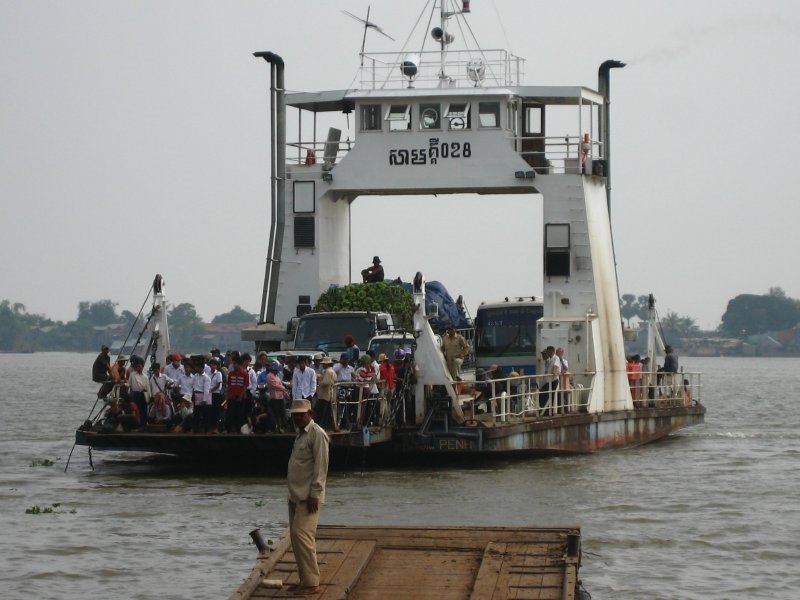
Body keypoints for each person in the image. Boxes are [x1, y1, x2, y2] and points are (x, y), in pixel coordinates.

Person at [286, 398, 329, 595]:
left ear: (310, 414)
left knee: (302, 536)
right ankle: (305, 580)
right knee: (296, 538)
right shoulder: (300, 435)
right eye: (295, 415)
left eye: (301, 414)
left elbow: (321, 467)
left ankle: (312, 583)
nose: (298, 418)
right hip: (295, 494)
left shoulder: (317, 434)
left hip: (308, 496)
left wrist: (315, 494)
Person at [127, 355, 150, 428]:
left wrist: (149, 396)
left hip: (143, 395)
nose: (139, 368)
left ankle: (143, 425)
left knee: (143, 410)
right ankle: (137, 425)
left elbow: (148, 387)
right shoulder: (132, 375)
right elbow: (129, 384)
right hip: (135, 394)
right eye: (137, 366)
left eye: (140, 366)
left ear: (143, 367)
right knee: (136, 410)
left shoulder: (145, 376)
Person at [315, 356, 337, 431]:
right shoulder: (332, 371)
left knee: (322, 412)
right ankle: (325, 426)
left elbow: (326, 382)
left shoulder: (328, 371)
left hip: (325, 394)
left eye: (324, 364)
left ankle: (321, 426)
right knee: (327, 411)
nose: (323, 365)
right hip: (329, 394)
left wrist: (320, 381)